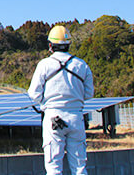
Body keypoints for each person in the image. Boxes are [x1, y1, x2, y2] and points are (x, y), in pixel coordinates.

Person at [28, 25, 94, 175]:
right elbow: (89, 93)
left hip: (53, 117)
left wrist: (46, 101)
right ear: (69, 44)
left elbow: (33, 94)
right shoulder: (81, 65)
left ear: (50, 45)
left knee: (54, 168)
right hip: (76, 117)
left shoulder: (44, 65)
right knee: (79, 167)